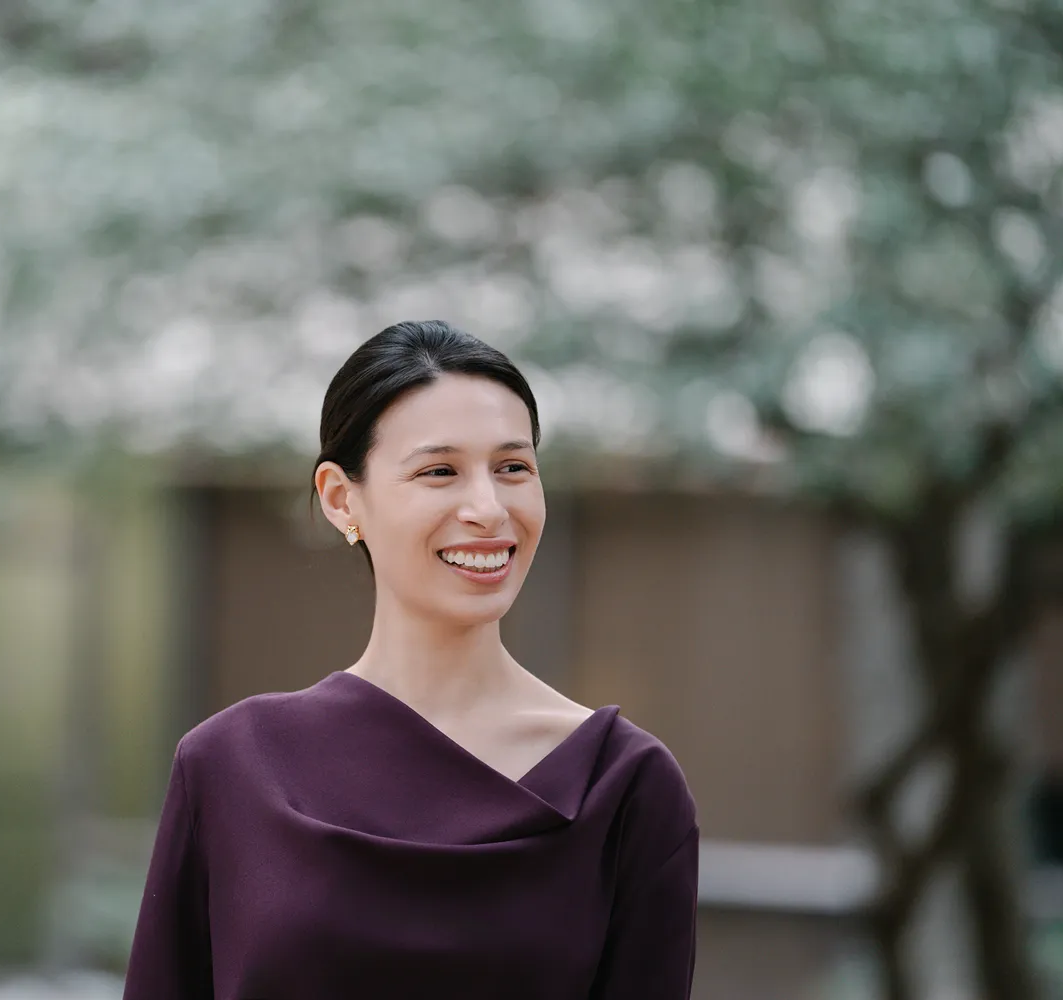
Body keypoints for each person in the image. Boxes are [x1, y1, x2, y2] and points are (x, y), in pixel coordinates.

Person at [122, 320, 698, 999]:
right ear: (342, 499)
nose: (488, 508)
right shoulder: (231, 765)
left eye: (513, 468)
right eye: (439, 471)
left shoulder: (626, 786)